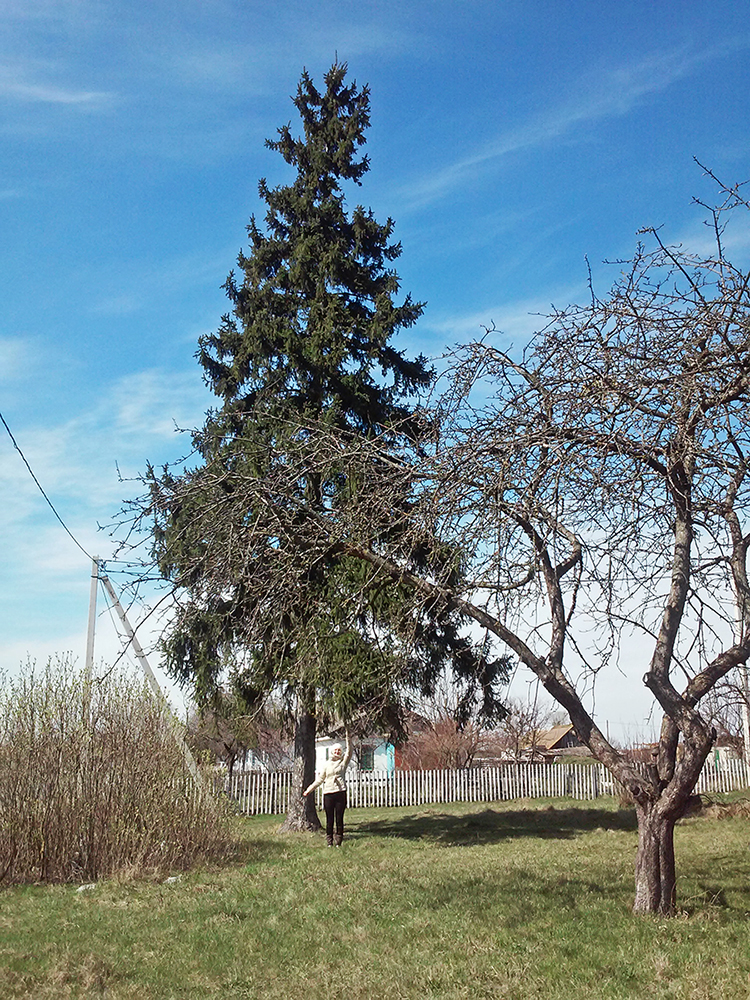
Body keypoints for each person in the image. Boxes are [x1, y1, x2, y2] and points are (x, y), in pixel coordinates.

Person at [303, 731, 352, 846]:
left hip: (340, 793)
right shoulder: (326, 764)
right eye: (335, 750)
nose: (337, 752)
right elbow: (319, 780)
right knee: (329, 818)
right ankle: (329, 841)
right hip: (328, 794)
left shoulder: (343, 763)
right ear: (332, 752)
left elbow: (349, 752)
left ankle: (339, 841)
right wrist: (308, 790)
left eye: (339, 750)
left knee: (339, 818)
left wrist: (348, 737)